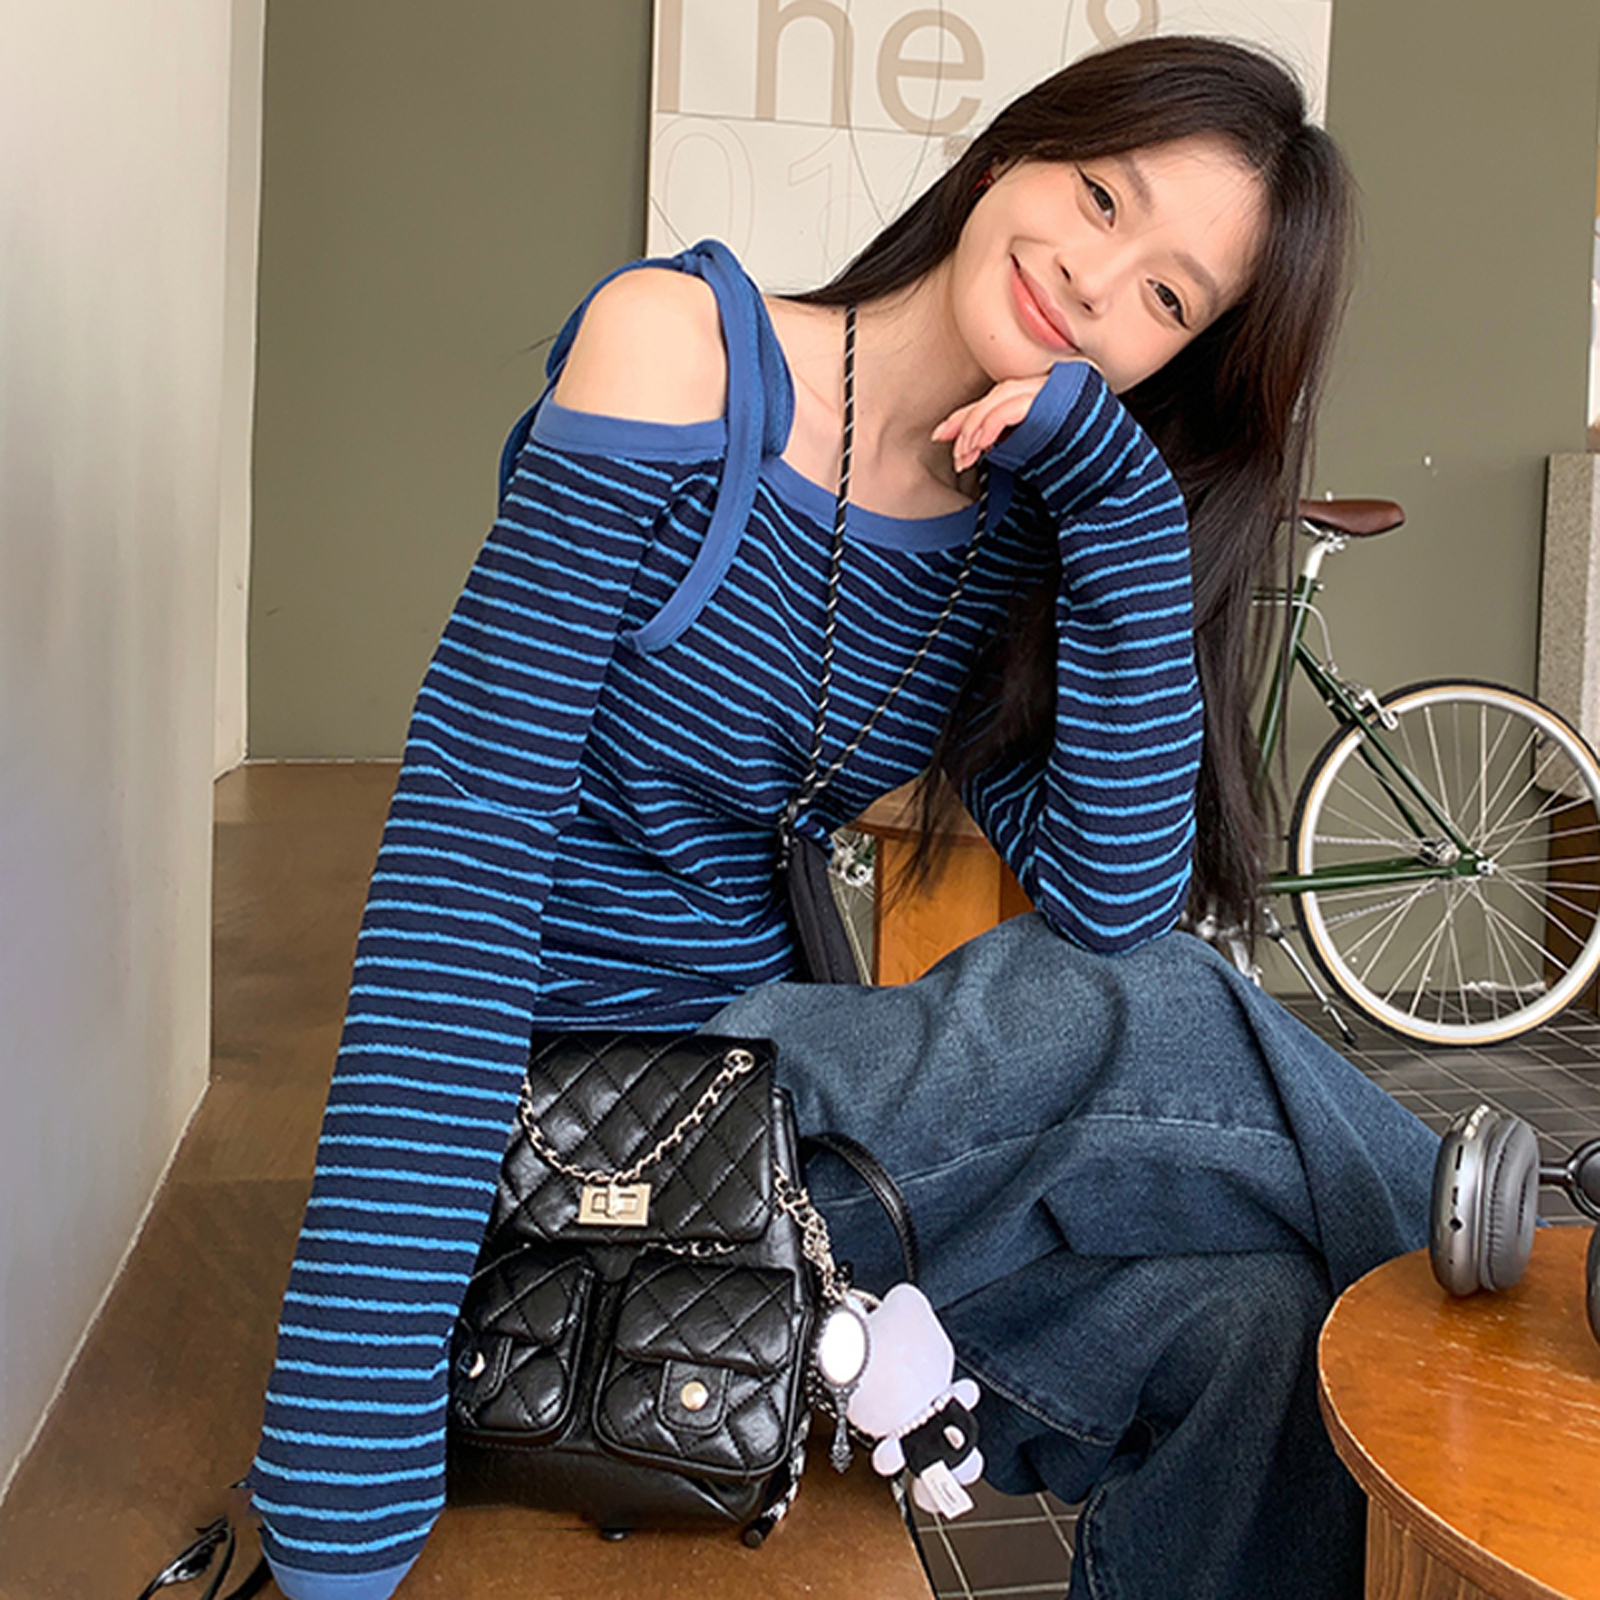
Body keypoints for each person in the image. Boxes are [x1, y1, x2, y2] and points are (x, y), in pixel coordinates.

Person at [248, 35, 1436, 1600]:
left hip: (773, 1165)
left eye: (1167, 298)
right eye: (1101, 197)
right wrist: (342, 1422)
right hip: (585, 1136)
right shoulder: (682, 354)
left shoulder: (1022, 523)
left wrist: (1121, 512)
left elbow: (1114, 905)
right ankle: (1512, 1300)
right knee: (1164, 1021)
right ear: (1011, 151)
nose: (1096, 282)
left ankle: (1484, 1305)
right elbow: (458, 872)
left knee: (1261, 1333)